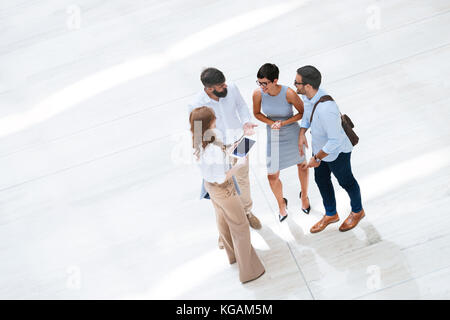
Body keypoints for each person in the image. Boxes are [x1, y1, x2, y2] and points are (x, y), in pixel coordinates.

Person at [189, 106, 265, 283]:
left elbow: (214, 166)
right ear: (209, 122)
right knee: (240, 226)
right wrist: (238, 165)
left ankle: (234, 257)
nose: (216, 118)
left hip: (212, 189)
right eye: (213, 117)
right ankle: (249, 271)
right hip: (224, 189)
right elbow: (220, 177)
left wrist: (231, 150)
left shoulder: (199, 140)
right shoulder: (212, 148)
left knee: (223, 222)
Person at [188, 68, 262, 240]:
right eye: (221, 86)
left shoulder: (232, 88)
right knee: (222, 189)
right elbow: (197, 131)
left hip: (240, 138)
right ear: (209, 89)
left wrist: (246, 122)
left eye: (224, 83)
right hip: (218, 149)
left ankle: (247, 212)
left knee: (243, 178)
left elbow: (242, 106)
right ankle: (225, 231)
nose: (225, 86)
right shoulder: (196, 104)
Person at [295, 65, 365, 233]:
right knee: (321, 180)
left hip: (336, 153)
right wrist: (302, 132)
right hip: (320, 149)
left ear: (308, 86)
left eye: (297, 83)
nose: (295, 86)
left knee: (346, 181)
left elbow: (335, 141)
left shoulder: (327, 109)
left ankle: (357, 211)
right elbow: (307, 115)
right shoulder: (309, 97)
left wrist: (316, 158)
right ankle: (331, 214)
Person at [253, 63, 310, 222]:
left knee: (302, 165)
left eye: (265, 83)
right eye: (259, 82)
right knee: (272, 175)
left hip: (291, 131)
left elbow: (302, 113)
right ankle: (281, 204)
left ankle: (304, 196)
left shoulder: (289, 93)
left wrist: (284, 123)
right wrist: (271, 123)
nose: (261, 86)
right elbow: (257, 113)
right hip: (274, 134)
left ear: (275, 80)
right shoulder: (258, 94)